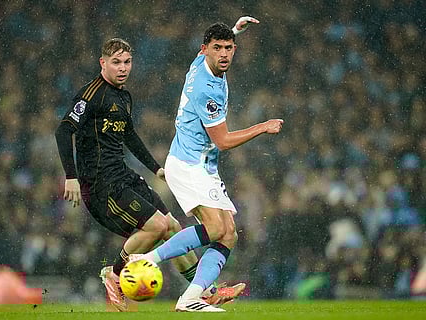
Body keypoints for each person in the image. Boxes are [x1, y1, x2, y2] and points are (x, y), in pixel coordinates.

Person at [55, 38, 243, 312]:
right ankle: (115, 274)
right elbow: (63, 130)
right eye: (116, 62)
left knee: (172, 227)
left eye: (127, 62)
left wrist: (156, 168)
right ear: (102, 63)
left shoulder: (123, 96)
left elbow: (129, 136)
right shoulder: (91, 94)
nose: (123, 68)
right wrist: (70, 175)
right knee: (156, 226)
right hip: (99, 184)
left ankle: (205, 292)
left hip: (122, 176)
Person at [130, 18, 284, 312]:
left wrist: (235, 30)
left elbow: (217, 47)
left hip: (201, 166)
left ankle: (192, 297)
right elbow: (223, 140)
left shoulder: (200, 62)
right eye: (218, 48)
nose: (224, 54)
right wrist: (262, 127)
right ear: (205, 49)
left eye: (229, 48)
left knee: (229, 233)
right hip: (189, 165)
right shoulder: (206, 89)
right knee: (215, 227)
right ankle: (148, 260)